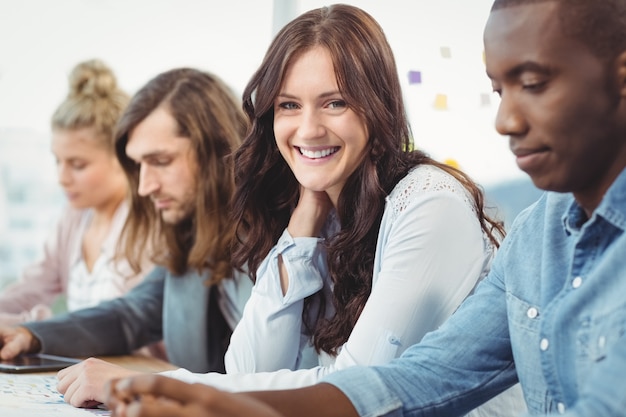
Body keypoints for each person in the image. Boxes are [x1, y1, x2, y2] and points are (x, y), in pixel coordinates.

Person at [105, 0, 626, 416]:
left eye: (533, 85)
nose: (505, 121)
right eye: (288, 105)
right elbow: (421, 379)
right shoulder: (538, 235)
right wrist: (300, 236)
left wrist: (186, 389)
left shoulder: (429, 203)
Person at [0, 68, 253, 407]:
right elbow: (130, 313)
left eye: (161, 161)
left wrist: (148, 383)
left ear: (219, 151)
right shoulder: (196, 234)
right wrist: (32, 336)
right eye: (139, 165)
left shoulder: (290, 236)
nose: (145, 186)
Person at [0, 59, 147, 325]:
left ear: (121, 156)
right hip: (82, 366)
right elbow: (30, 290)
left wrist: (33, 326)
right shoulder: (73, 219)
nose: (62, 179)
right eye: (58, 161)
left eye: (78, 165)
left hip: (140, 367)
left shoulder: (149, 223)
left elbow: (127, 324)